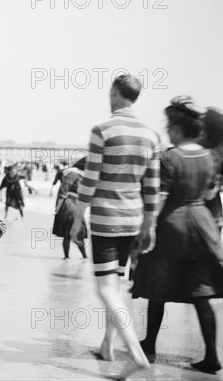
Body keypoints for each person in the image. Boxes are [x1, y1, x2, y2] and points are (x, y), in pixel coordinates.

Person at [131, 96, 223, 375]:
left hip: (172, 224)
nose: (168, 130)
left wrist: (146, 230)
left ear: (177, 128)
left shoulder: (170, 157)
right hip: (202, 223)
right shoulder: (210, 157)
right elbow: (211, 192)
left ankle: (149, 343)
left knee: (156, 288)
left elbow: (159, 198)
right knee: (202, 293)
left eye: (170, 125)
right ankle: (211, 356)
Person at [70, 74, 157, 379]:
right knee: (116, 287)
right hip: (134, 220)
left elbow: (90, 179)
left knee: (106, 289)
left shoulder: (102, 130)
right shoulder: (151, 135)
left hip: (106, 219)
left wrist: (78, 217)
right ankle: (107, 345)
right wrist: (150, 226)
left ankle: (135, 354)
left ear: (115, 92)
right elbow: (152, 187)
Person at [52, 157, 87, 259]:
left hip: (75, 204)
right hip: (69, 204)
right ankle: (70, 257)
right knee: (70, 232)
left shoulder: (78, 174)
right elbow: (63, 191)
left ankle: (79, 256)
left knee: (76, 232)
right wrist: (58, 207)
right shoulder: (73, 173)